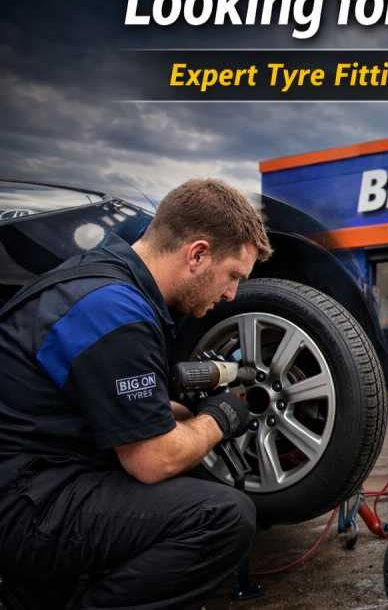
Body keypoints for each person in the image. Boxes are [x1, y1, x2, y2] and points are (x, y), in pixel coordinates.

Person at [0, 179, 273, 609]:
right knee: (223, 517)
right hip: (22, 506)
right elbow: (152, 460)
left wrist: (191, 410)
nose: (231, 294)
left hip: (31, 479)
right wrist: (218, 419)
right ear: (198, 254)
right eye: (233, 276)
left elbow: (119, 405)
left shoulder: (103, 282)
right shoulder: (115, 311)